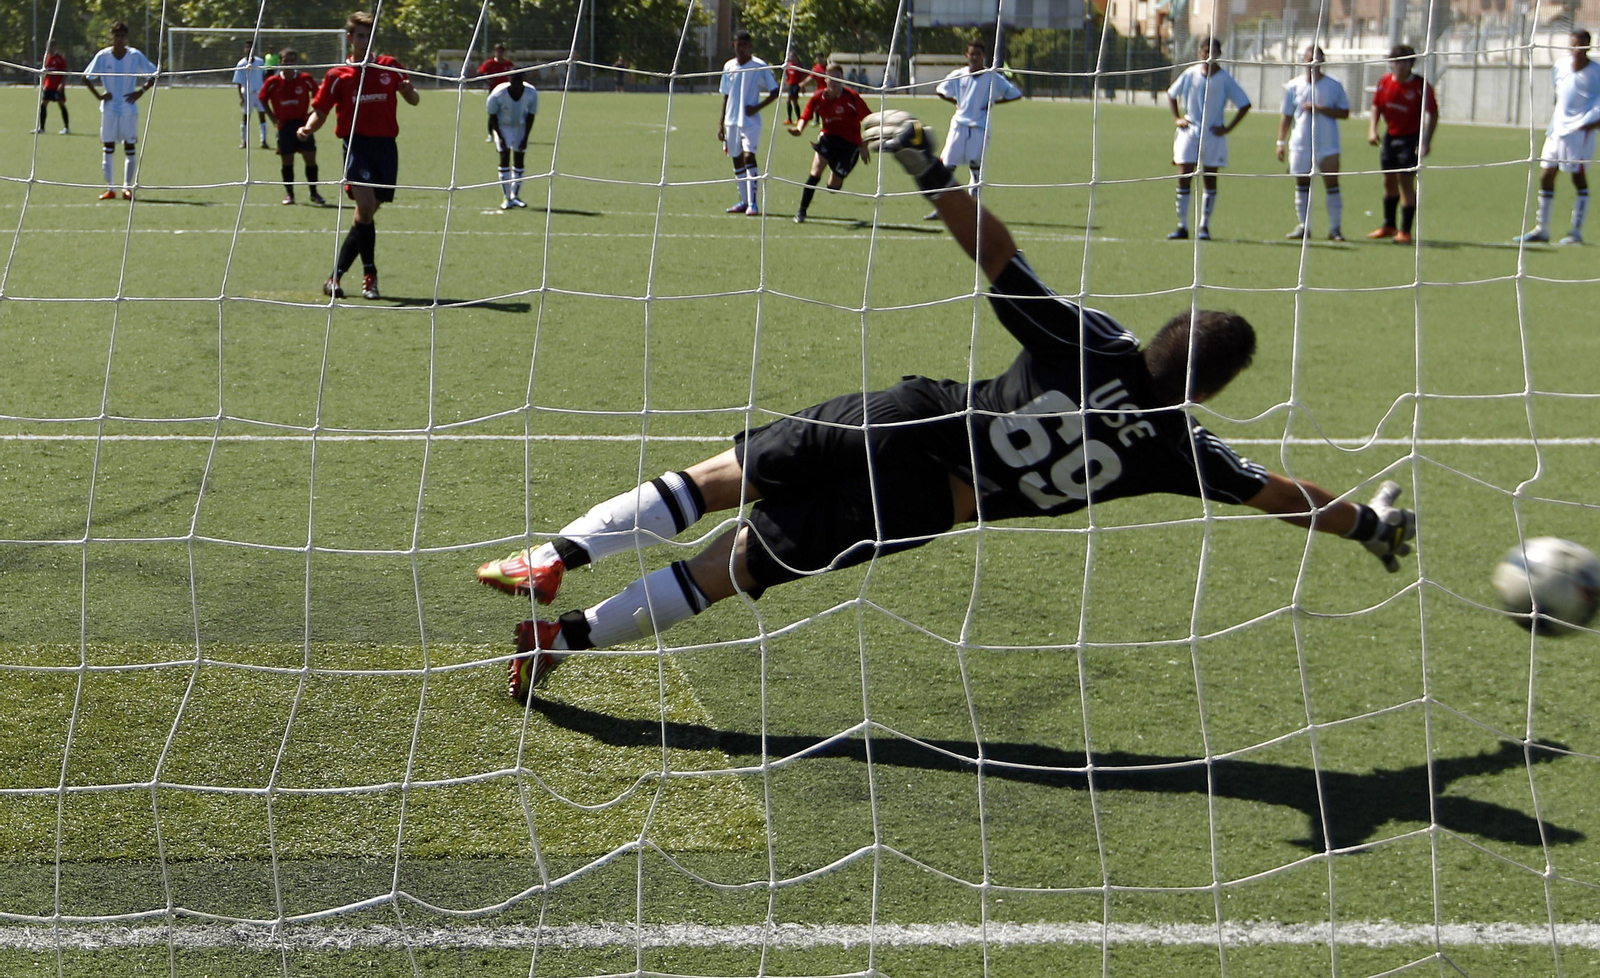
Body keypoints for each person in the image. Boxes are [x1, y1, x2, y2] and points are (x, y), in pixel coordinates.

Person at [476, 109, 1418, 703]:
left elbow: (999, 258)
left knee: (719, 478)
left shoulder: (1095, 343)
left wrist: (929, 168)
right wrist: (1369, 524)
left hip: (909, 417)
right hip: (924, 502)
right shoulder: (1181, 448)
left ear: (1158, 337)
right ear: (1206, 392)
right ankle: (559, 643)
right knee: (729, 571)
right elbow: (1282, 495)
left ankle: (554, 555)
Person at [299, 10, 420, 300]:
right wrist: (307, 128)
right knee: (364, 208)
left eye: (370, 36)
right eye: (361, 36)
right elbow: (321, 110)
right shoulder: (337, 75)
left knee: (363, 218)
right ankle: (370, 276)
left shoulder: (390, 66)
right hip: (356, 147)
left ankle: (335, 277)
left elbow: (414, 100)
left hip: (386, 149)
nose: (365, 41)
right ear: (351, 38)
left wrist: (408, 92)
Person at [1516, 29, 1600, 245]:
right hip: (1557, 131)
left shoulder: (1597, 72)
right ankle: (1542, 229)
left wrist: (1590, 125)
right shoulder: (1560, 66)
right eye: (1574, 44)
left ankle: (1576, 231)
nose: (1577, 49)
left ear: (1589, 46)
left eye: (1581, 45)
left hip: (1580, 133)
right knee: (1546, 175)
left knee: (1577, 178)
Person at [1165, 36, 1251, 241]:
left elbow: (1244, 104)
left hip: (1212, 134)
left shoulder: (1225, 79)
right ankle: (1182, 225)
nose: (1208, 55)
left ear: (1219, 54)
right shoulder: (1190, 73)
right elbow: (1172, 94)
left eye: (1212, 51)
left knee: (1210, 178)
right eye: (1205, 51)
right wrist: (1177, 118)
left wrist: (1228, 128)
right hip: (1189, 131)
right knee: (1184, 174)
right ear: (1199, 52)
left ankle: (1204, 226)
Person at [924, 39, 1022, 220]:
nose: (975, 57)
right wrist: (954, 101)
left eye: (978, 54)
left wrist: (993, 102)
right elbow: (940, 90)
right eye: (972, 54)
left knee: (976, 169)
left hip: (979, 127)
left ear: (983, 56)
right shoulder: (958, 75)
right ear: (966, 55)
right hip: (959, 126)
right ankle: (942, 208)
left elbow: (1015, 94)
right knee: (946, 167)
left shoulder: (992, 77)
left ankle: (973, 209)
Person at [1277, 45, 1351, 241]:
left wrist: (1320, 109)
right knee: (1302, 183)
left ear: (1323, 61)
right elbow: (1286, 115)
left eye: (1317, 59)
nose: (1313, 63)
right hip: (1301, 143)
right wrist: (1280, 141)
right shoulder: (1293, 86)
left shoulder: (1334, 85)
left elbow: (1344, 112)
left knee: (1331, 183)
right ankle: (1304, 227)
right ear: (1303, 60)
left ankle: (1335, 229)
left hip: (1328, 143)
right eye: (1309, 59)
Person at [1366, 45, 1438, 245]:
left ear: (1411, 63)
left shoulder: (1420, 85)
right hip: (1390, 137)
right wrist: (1372, 129)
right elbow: (1376, 106)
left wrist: (1426, 140)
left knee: (1405, 183)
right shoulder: (1385, 81)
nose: (1399, 65)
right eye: (1396, 61)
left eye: (1404, 61)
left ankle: (1405, 231)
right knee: (1388, 182)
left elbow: (1433, 114)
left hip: (1410, 139)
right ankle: (1389, 225)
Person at [788, 61, 871, 223]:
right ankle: (801, 211)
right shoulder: (818, 97)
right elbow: (806, 115)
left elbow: (869, 121)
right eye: (831, 78)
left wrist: (864, 145)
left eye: (837, 79)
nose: (834, 82)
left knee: (833, 187)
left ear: (842, 79)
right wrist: (799, 129)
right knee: (815, 173)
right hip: (828, 138)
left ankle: (835, 170)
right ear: (825, 79)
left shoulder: (852, 97)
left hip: (850, 144)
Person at [83, 20, 158, 201]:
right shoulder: (103, 56)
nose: (119, 39)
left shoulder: (134, 55)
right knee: (108, 147)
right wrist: (99, 95)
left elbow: (154, 74)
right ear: (111, 36)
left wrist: (141, 91)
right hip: (109, 109)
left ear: (126, 38)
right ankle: (110, 188)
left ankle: (127, 187)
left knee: (129, 147)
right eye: (116, 36)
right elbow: (86, 77)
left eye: (122, 36)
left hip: (128, 109)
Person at [718, 29, 779, 217]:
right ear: (733, 45)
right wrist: (721, 124)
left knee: (748, 156)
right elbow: (726, 95)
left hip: (750, 122)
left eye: (745, 45)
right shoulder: (729, 66)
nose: (741, 48)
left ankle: (753, 203)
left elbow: (775, 91)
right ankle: (743, 201)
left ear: (750, 46)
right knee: (736, 158)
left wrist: (757, 107)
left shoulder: (759, 66)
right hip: (731, 121)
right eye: (738, 44)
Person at [258, 48, 325, 206]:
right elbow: (262, 98)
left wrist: (311, 113)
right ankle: (289, 194)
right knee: (287, 162)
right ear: (280, 62)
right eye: (285, 61)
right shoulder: (272, 82)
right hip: (284, 127)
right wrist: (273, 118)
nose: (288, 64)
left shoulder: (305, 79)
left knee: (310, 159)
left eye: (291, 61)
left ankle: (314, 192)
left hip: (303, 125)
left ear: (296, 63)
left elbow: (319, 96)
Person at [487, 69, 538, 209]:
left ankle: (515, 196)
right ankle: (506, 198)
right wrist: (500, 137)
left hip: (520, 126)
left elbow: (531, 115)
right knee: (504, 156)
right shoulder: (498, 93)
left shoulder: (531, 92)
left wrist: (525, 137)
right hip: (503, 126)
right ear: (509, 80)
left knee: (519, 159)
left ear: (523, 80)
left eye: (518, 81)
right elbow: (492, 115)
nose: (516, 84)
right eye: (513, 80)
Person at [233, 47, 269, 149]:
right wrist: (241, 97)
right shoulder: (241, 64)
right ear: (244, 50)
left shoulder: (260, 62)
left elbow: (264, 76)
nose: (250, 52)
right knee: (246, 117)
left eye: (252, 50)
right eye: (248, 50)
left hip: (260, 93)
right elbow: (238, 82)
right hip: (247, 94)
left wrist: (266, 92)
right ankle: (244, 141)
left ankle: (263, 140)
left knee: (262, 116)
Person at [477, 44, 514, 142]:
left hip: (506, 92)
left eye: (501, 51)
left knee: (506, 112)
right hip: (494, 92)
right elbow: (480, 72)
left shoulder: (508, 64)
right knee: (492, 113)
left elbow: (514, 74)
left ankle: (505, 133)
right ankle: (490, 134)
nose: (499, 53)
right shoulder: (490, 63)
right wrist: (488, 81)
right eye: (498, 51)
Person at [36, 42, 70, 135]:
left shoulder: (59, 58)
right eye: (47, 47)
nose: (49, 49)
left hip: (57, 87)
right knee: (43, 104)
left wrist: (62, 84)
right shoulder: (46, 58)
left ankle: (66, 128)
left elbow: (65, 72)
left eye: (51, 47)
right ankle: (42, 128)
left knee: (61, 104)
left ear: (54, 47)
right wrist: (43, 84)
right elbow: (45, 72)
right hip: (49, 86)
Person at [782, 49, 805, 126]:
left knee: (794, 101)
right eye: (790, 56)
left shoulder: (798, 65)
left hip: (796, 85)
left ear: (795, 57)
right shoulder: (788, 65)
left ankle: (798, 119)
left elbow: (802, 76)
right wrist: (785, 82)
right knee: (789, 101)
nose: (791, 57)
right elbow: (786, 75)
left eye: (792, 56)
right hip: (790, 85)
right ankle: (789, 119)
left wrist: (802, 86)